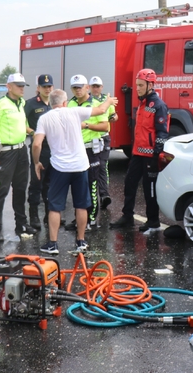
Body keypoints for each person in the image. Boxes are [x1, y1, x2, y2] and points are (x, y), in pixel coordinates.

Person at [32, 89, 117, 255]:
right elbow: (100, 110)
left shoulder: (45, 118)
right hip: (80, 166)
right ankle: (81, 241)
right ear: (65, 102)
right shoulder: (75, 111)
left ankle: (53, 244)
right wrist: (109, 101)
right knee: (81, 205)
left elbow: (36, 144)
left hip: (60, 168)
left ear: (50, 103)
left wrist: (36, 163)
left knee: (55, 207)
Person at [110, 69, 169, 233]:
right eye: (137, 85)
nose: (138, 88)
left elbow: (162, 132)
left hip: (150, 156)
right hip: (138, 154)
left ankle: (153, 221)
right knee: (129, 183)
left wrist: (156, 154)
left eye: (141, 85)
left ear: (151, 85)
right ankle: (127, 216)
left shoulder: (159, 105)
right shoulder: (142, 103)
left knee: (149, 188)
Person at [0, 73, 37, 242]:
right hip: (6, 153)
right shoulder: (0, 104)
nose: (22, 88)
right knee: (1, 190)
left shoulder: (21, 102)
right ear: (9, 86)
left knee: (20, 189)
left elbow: (23, 125)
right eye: (18, 85)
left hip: (21, 149)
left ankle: (21, 224)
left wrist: (33, 132)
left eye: (23, 85)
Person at [65, 75, 110, 231]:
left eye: (80, 87)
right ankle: (79, 219)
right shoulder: (69, 104)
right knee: (77, 185)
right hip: (75, 149)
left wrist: (87, 125)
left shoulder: (96, 104)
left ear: (87, 87)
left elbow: (106, 126)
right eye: (75, 87)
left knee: (92, 184)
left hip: (91, 149)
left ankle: (91, 219)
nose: (78, 90)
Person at [24, 74, 55, 230]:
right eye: (44, 86)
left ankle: (50, 215)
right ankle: (34, 215)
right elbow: (21, 124)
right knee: (37, 181)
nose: (47, 89)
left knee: (50, 183)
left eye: (49, 86)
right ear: (38, 88)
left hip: (54, 149)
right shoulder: (30, 104)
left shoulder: (55, 104)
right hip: (39, 147)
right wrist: (32, 133)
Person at [89, 76, 117, 209]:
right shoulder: (87, 100)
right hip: (91, 137)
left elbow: (113, 115)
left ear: (102, 87)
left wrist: (114, 117)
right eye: (93, 86)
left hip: (104, 137)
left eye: (97, 86)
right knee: (92, 167)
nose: (95, 88)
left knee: (103, 166)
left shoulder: (107, 99)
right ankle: (91, 197)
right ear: (89, 87)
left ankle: (104, 195)